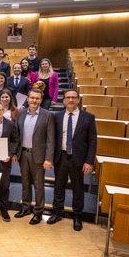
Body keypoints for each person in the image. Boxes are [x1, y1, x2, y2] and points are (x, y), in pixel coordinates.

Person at [48, 89, 97, 232]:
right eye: (68, 97)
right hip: (61, 157)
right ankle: (57, 212)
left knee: (78, 189)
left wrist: (89, 161)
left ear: (78, 100)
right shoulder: (56, 116)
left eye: (73, 97)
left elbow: (92, 141)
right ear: (63, 100)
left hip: (78, 159)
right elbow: (52, 138)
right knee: (58, 187)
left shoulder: (88, 117)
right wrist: (50, 158)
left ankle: (77, 216)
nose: (70, 100)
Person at [13, 89, 55, 225]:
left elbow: (50, 139)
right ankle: (25, 208)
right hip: (23, 153)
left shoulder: (47, 115)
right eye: (32, 98)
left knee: (38, 185)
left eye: (37, 98)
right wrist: (14, 152)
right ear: (28, 98)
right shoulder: (21, 114)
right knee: (25, 183)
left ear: (41, 100)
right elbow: (16, 135)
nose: (34, 101)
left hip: (39, 156)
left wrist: (49, 158)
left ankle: (38, 212)